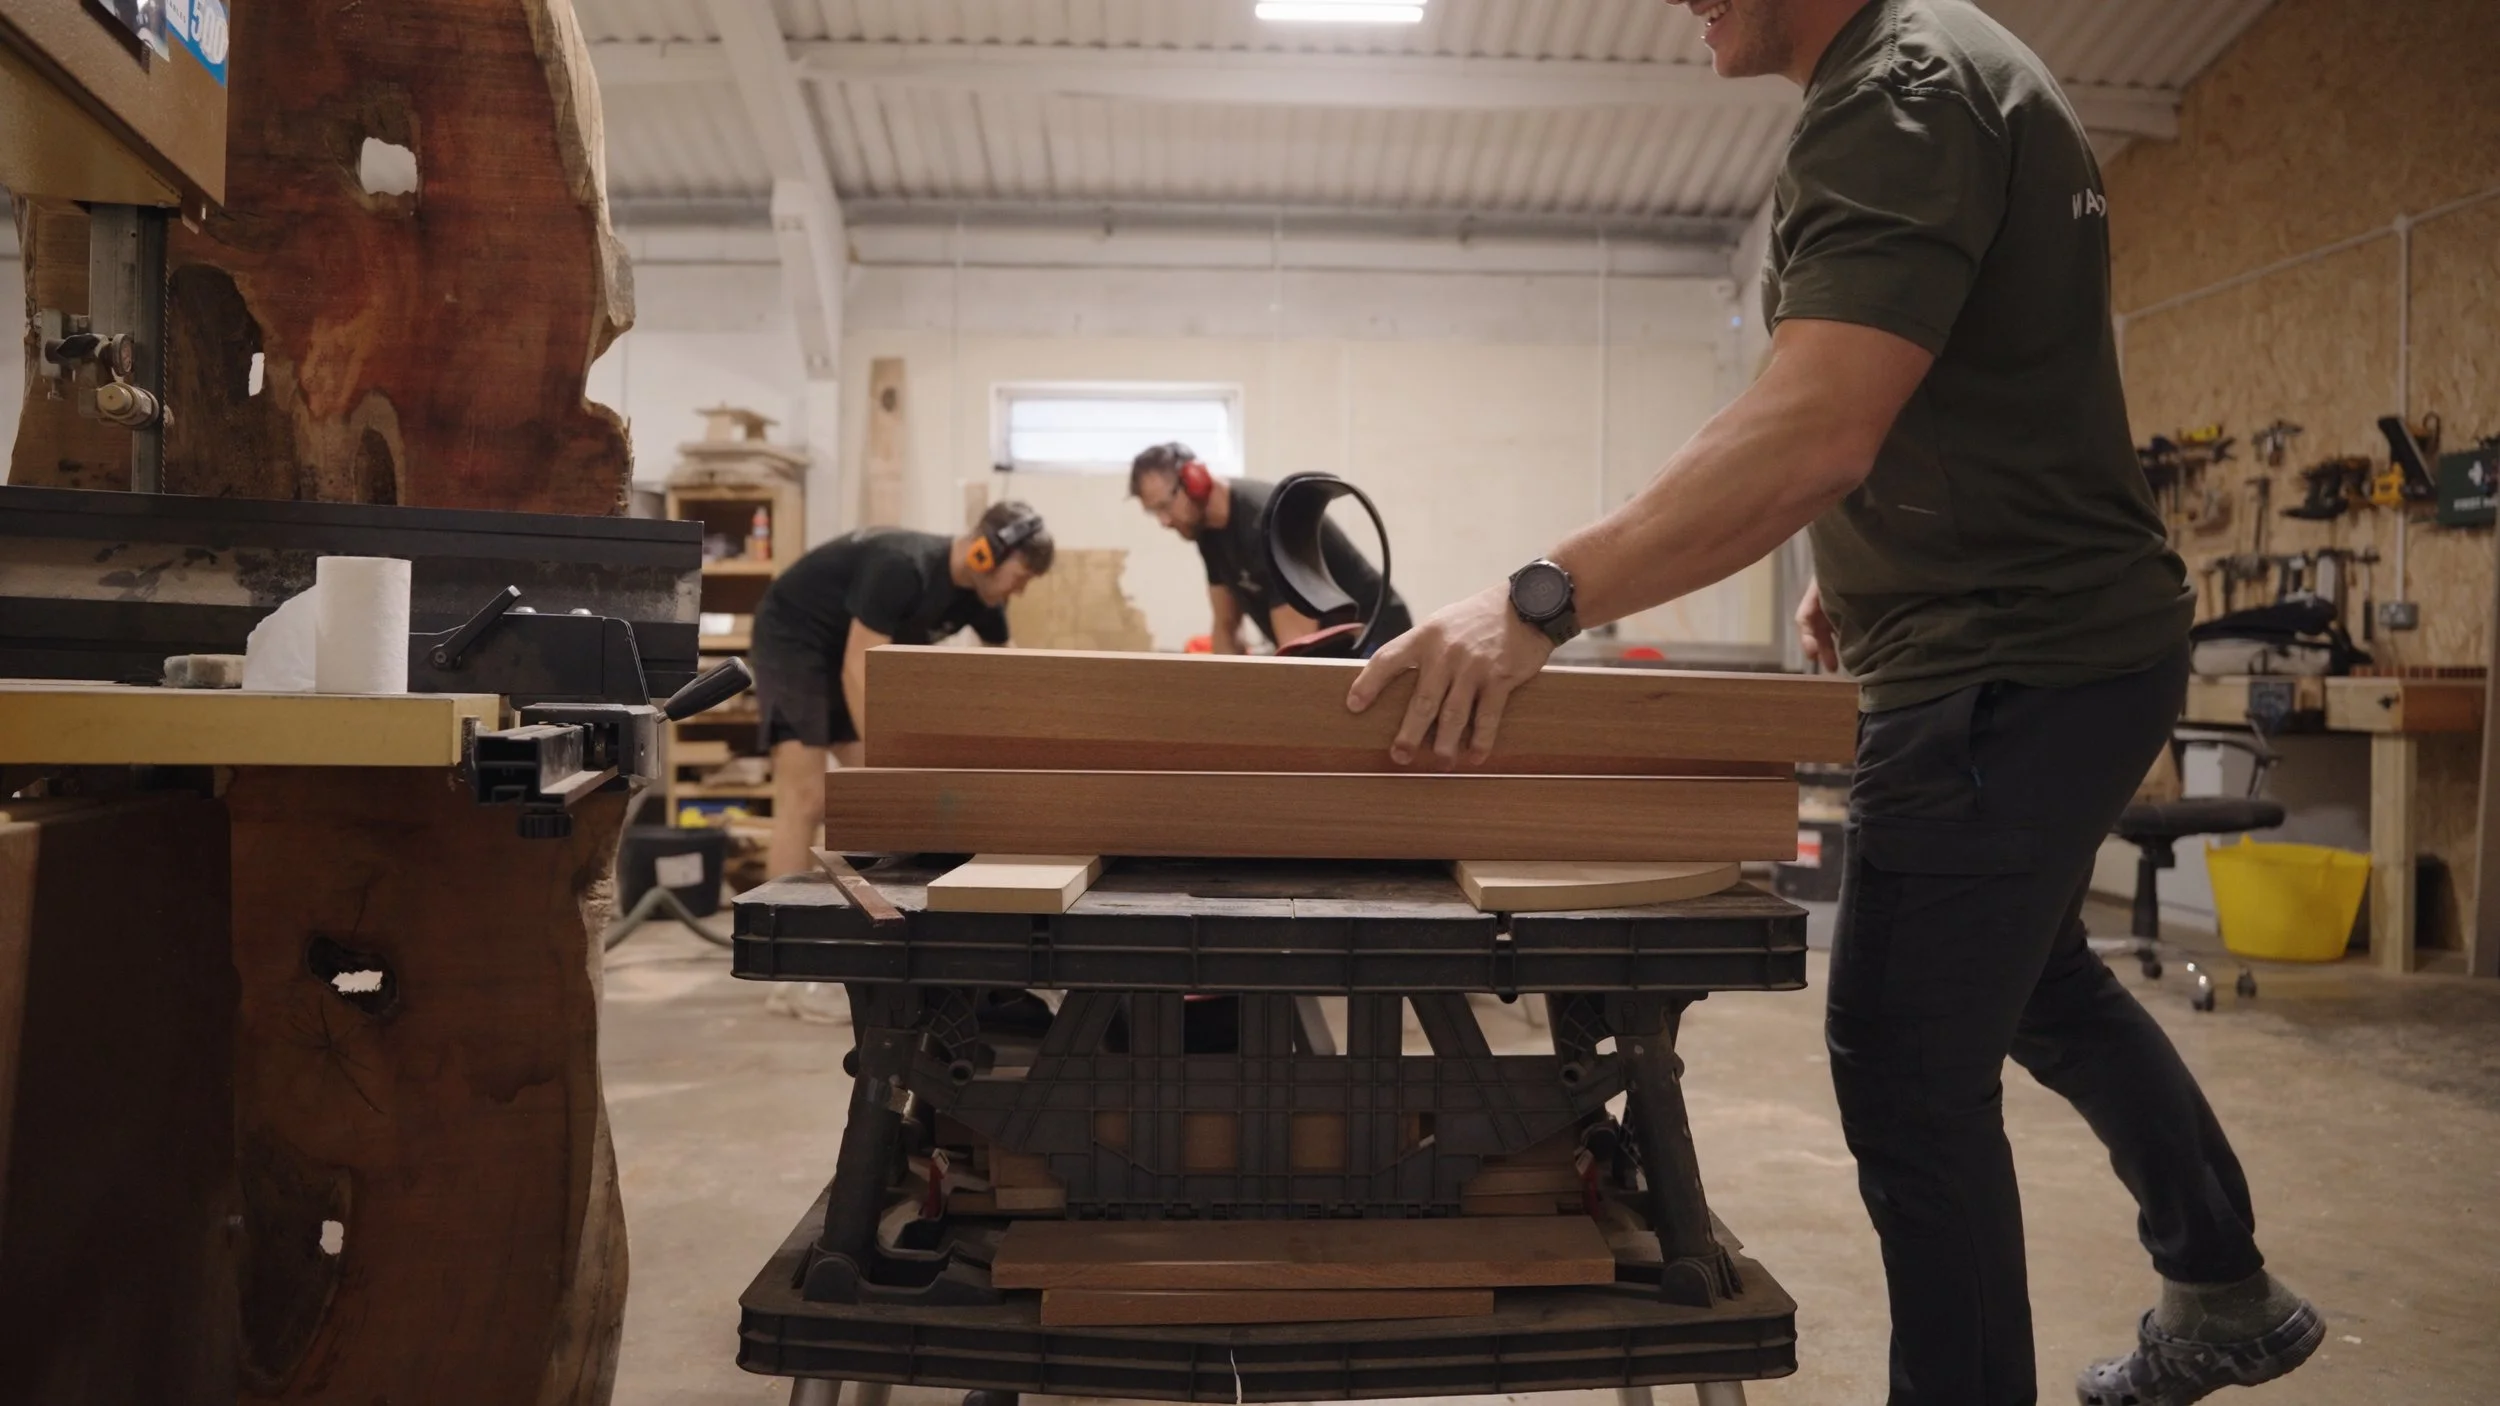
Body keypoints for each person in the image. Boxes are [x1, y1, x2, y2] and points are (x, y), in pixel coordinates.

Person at [1344, 2, 2321, 1404]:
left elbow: (1815, 425)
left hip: (2005, 668)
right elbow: (1887, 390)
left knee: (1911, 1070)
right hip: (2057, 642)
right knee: (2039, 982)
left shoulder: (1899, 94)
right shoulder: (1940, 74)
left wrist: (1539, 599)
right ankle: (2223, 1285)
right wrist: (1863, 567)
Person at [750, 502, 1053, 880]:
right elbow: (858, 666)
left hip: (846, 654)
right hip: (795, 640)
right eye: (1021, 577)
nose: (1020, 591)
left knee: (891, 800)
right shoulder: (903, 566)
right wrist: (888, 758)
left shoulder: (981, 597)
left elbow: (1013, 674)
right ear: (984, 553)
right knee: (807, 798)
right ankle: (778, 930)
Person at [1128, 443, 1413, 654]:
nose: (1164, 522)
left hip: (1377, 637)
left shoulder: (1267, 521)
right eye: (1155, 513)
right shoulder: (1207, 533)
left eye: (1165, 506)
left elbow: (1298, 648)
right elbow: (1225, 626)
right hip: (1326, 647)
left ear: (1195, 480)